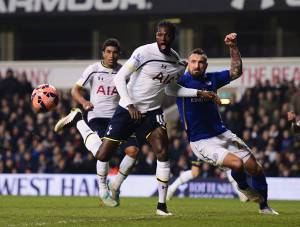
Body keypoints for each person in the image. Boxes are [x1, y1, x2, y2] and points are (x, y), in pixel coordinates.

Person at [55, 21, 220, 216]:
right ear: (156, 35)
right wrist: (129, 104)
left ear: (173, 37)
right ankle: (78, 121)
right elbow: (119, 77)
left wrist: (198, 93)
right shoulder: (143, 52)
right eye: (159, 35)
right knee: (102, 155)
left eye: (167, 35)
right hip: (127, 109)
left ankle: (161, 206)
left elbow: (170, 88)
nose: (163, 39)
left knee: (162, 152)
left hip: (152, 112)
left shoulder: (176, 61)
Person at [175, 33, 278, 215]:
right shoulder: (179, 83)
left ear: (205, 65)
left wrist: (233, 47)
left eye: (200, 62)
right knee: (237, 164)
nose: (197, 65)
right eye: (193, 62)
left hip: (222, 133)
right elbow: (165, 87)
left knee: (255, 167)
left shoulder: (212, 79)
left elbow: (236, 72)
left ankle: (264, 207)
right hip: (201, 141)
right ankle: (244, 187)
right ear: (187, 63)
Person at [55, 38, 139, 207]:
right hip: (98, 116)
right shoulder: (93, 69)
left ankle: (115, 186)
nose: (111, 56)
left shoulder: (123, 72)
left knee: (133, 151)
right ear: (103, 53)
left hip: (119, 117)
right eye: (108, 52)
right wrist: (84, 102)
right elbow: (75, 90)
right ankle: (102, 189)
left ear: (119, 54)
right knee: (103, 153)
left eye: (115, 52)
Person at [167, 155, 248, 202]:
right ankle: (171, 189)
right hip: (201, 144)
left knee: (226, 166)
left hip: (210, 144)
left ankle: (241, 194)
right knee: (195, 172)